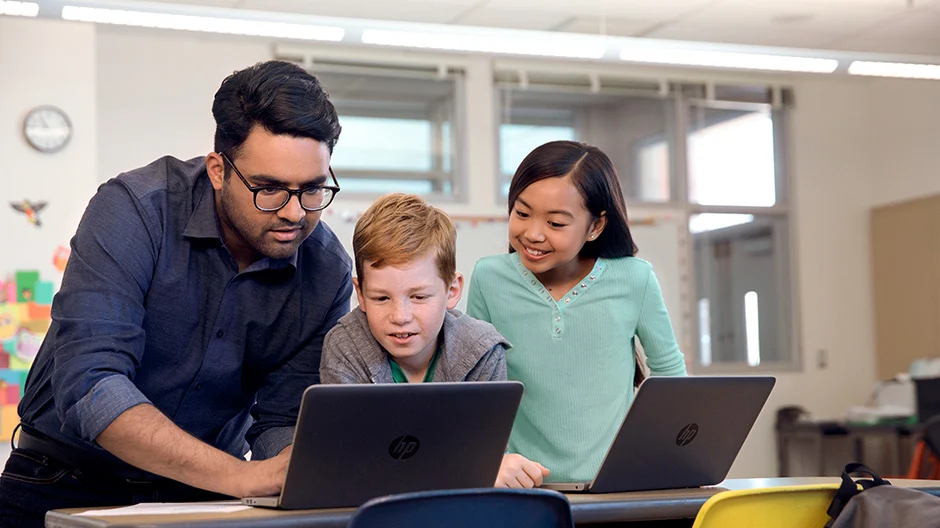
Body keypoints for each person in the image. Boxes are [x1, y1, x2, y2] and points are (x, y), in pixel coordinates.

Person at [0, 60, 352, 527]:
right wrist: (242, 478)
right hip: (60, 481)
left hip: (202, 497)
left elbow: (283, 418)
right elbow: (91, 385)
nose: (293, 212)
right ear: (218, 170)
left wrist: (293, 469)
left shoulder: (325, 270)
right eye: (268, 189)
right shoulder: (134, 211)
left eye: (311, 190)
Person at [467, 140, 687, 484]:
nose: (533, 233)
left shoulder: (635, 278)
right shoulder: (489, 277)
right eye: (522, 213)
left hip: (617, 485)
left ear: (596, 226)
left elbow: (671, 376)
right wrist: (494, 460)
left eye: (555, 223)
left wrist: (670, 457)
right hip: (524, 487)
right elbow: (480, 386)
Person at [319, 193, 548, 488]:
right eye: (381, 298)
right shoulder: (344, 346)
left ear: (452, 290)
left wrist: (492, 464)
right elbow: (349, 461)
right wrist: (475, 467)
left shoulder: (482, 350)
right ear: (360, 294)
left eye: (419, 297)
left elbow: (483, 453)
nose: (400, 316)